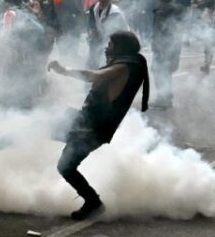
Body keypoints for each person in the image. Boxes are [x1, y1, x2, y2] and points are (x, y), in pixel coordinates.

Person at [47, 31, 149, 220]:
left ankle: (94, 203)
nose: (106, 47)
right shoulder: (129, 63)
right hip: (85, 122)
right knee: (43, 126)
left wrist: (64, 70)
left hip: (90, 129)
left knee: (65, 166)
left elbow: (93, 76)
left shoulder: (124, 67)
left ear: (120, 47)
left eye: (110, 44)